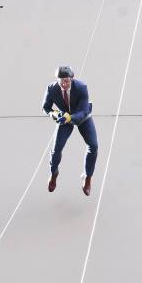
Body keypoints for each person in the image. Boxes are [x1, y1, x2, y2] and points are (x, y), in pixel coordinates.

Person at [42, 66, 97, 196]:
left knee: (93, 146)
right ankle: (54, 173)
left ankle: (87, 177)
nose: (64, 84)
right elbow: (45, 108)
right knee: (56, 150)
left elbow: (83, 111)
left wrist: (70, 117)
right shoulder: (52, 88)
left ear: (72, 78)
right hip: (63, 119)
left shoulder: (82, 87)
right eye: (61, 81)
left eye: (67, 81)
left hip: (81, 117)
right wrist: (54, 114)